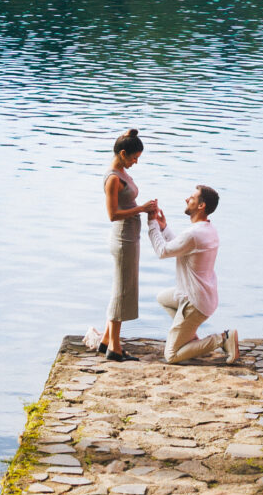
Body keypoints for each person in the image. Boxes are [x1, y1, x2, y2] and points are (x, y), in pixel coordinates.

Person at [91, 128, 159, 361]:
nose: (135, 162)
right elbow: (112, 214)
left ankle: (106, 340)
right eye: (133, 158)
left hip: (131, 237)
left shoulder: (121, 171)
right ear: (122, 153)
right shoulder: (112, 178)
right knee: (121, 291)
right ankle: (115, 349)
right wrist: (141, 208)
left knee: (124, 288)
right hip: (123, 239)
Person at [148, 184, 236, 365]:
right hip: (204, 296)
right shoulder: (207, 229)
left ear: (201, 206)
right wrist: (164, 229)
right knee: (163, 298)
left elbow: (162, 251)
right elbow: (182, 247)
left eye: (192, 198)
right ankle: (191, 341)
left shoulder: (194, 234)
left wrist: (152, 223)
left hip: (194, 302)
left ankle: (223, 339)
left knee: (171, 355)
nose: (187, 199)